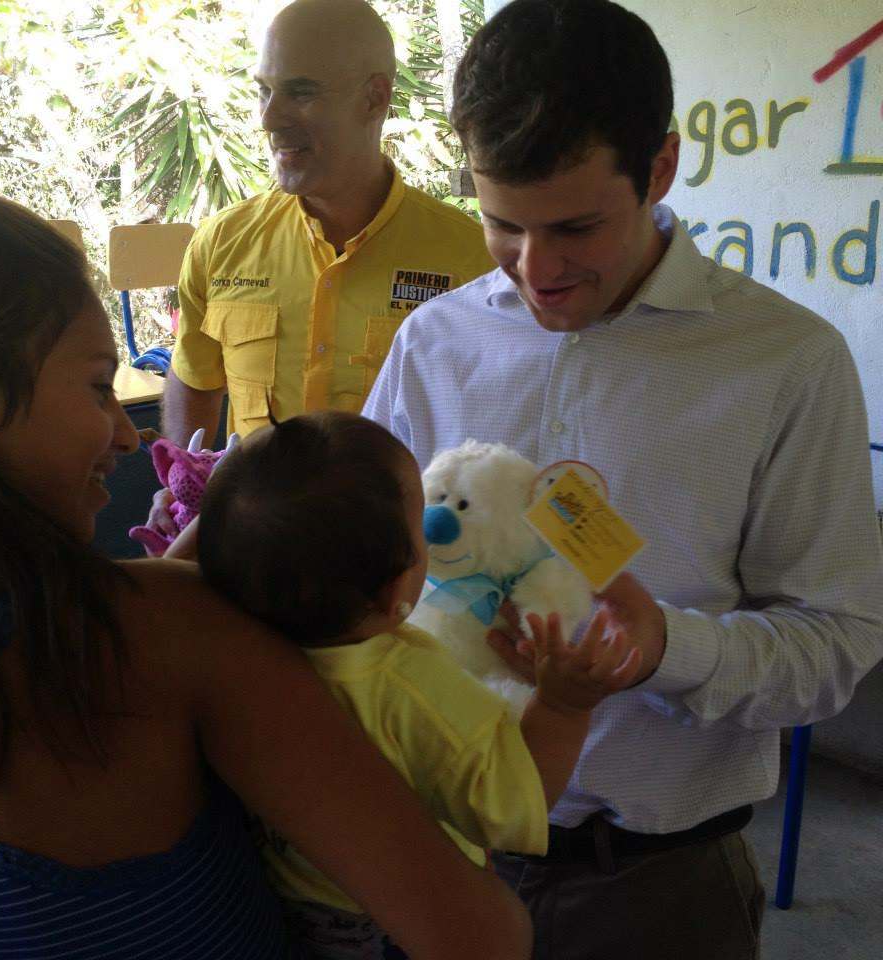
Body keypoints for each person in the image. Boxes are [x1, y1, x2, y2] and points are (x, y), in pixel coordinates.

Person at [362, 1, 883, 957]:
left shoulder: (786, 363)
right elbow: (364, 567)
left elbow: (840, 644)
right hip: (433, 858)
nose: (536, 269)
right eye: (501, 224)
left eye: (575, 227)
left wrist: (663, 652)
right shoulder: (432, 344)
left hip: (655, 889)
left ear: (660, 170)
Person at [0, 193, 536, 960]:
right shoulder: (167, 634)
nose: (123, 430)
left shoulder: (156, 616)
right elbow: (480, 935)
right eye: (95, 385)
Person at [195, 410, 641, 959]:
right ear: (393, 592)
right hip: (389, 923)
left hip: (274, 898)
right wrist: (564, 708)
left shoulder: (231, 657)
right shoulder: (412, 681)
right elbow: (505, 808)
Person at [159, 0, 493, 449]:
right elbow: (195, 377)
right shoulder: (221, 244)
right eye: (264, 90)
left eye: (300, 91)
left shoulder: (474, 260)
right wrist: (182, 483)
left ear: (375, 98)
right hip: (251, 520)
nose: (269, 119)